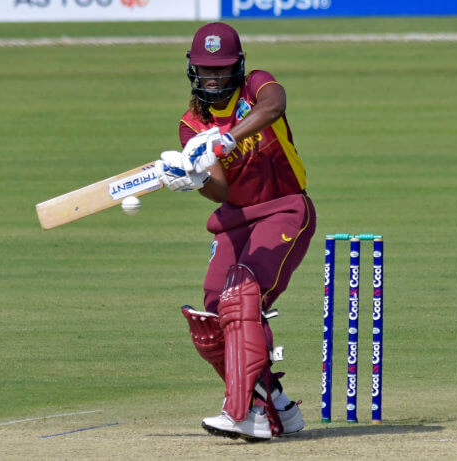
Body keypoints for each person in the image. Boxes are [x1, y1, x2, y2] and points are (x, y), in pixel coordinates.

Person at [154, 22, 316, 441]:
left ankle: (245, 412)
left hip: (284, 207)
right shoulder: (191, 126)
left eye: (222, 70)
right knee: (212, 317)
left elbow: (274, 107)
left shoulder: (257, 87)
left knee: (242, 294)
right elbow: (219, 189)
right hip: (235, 218)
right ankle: (276, 403)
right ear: (193, 71)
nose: (214, 78)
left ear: (238, 68)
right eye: (206, 71)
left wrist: (225, 140)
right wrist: (194, 179)